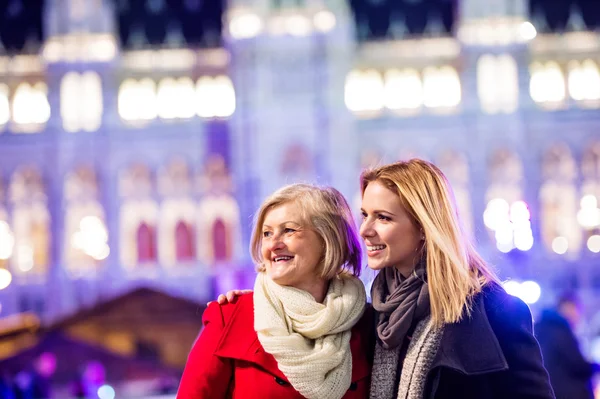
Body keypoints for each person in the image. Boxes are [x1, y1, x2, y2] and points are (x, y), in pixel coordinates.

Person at [219, 159, 555, 399]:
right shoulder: (374, 314)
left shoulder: (492, 309)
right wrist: (254, 300)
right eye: (365, 214)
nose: (365, 230)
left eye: (383, 217)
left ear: (424, 227)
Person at [177, 183, 373, 399]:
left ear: (328, 239)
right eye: (267, 234)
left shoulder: (365, 324)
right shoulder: (231, 318)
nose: (273, 245)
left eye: (289, 230)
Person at [535, 293, 600, 399]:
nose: (577, 315)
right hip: (567, 393)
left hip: (552, 391)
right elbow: (577, 364)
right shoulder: (560, 330)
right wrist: (595, 366)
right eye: (576, 309)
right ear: (566, 306)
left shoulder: (544, 327)